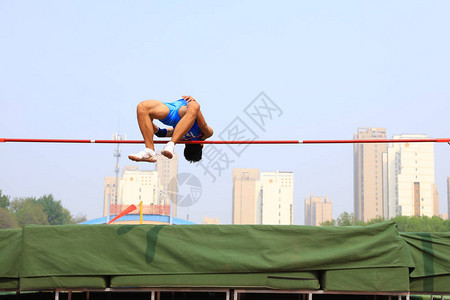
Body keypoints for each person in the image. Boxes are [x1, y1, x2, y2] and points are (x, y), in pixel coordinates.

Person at [128, 95, 213, 163]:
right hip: (177, 110)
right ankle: (153, 150)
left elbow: (160, 133)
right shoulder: (185, 135)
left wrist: (193, 102)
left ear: (202, 145)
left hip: (177, 112)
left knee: (142, 107)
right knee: (142, 107)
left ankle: (156, 148)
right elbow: (159, 133)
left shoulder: (183, 134)